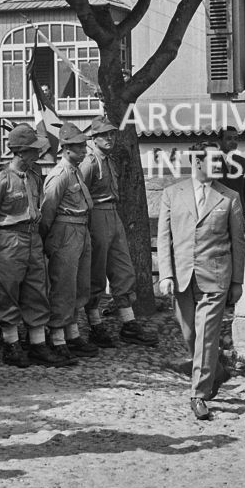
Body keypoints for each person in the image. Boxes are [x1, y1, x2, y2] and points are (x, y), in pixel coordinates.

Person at [158, 142, 245, 420]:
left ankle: (199, 393)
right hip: (182, 276)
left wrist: (237, 281)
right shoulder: (172, 193)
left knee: (207, 336)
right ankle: (217, 372)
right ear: (197, 163)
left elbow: (238, 242)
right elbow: (164, 238)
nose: (220, 166)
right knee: (190, 335)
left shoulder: (229, 197)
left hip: (215, 277)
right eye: (215, 162)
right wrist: (166, 274)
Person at [0, 123, 72, 368]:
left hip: (32, 239)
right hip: (9, 240)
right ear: (20, 152)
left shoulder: (34, 177)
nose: (37, 154)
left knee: (37, 290)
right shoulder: (1, 181)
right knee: (6, 291)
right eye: (32, 151)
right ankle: (10, 344)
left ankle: (38, 344)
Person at [80, 115, 156, 347]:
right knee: (96, 272)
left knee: (123, 270)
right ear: (94, 137)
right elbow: (79, 193)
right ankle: (95, 324)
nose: (110, 138)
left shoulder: (109, 160)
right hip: (96, 216)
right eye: (105, 134)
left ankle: (128, 323)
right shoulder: (89, 162)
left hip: (113, 215)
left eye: (112, 133)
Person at [41, 121, 100, 359]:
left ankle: (72, 334)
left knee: (80, 285)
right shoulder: (60, 175)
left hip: (81, 229)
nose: (84, 150)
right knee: (63, 286)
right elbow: (47, 212)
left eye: (84, 145)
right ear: (66, 149)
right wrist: (49, 241)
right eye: (78, 147)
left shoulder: (75, 171)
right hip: (65, 231)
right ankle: (57, 337)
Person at [216, 126, 245, 214]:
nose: (233, 142)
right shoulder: (210, 161)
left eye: (235, 139)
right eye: (229, 138)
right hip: (216, 213)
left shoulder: (244, 163)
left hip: (237, 212)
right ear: (219, 141)